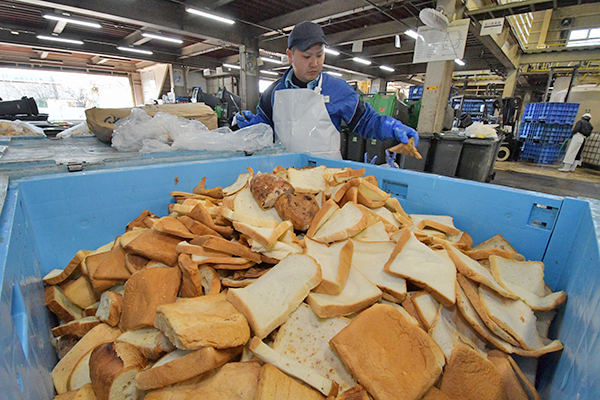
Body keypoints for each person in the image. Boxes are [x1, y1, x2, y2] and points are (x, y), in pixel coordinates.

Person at [235, 21, 419, 158]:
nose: (314, 63)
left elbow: (366, 121)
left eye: (320, 55)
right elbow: (265, 129)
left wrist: (392, 127)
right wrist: (251, 124)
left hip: (327, 176)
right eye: (307, 56)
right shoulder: (273, 92)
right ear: (290, 56)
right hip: (284, 174)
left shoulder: (338, 89)